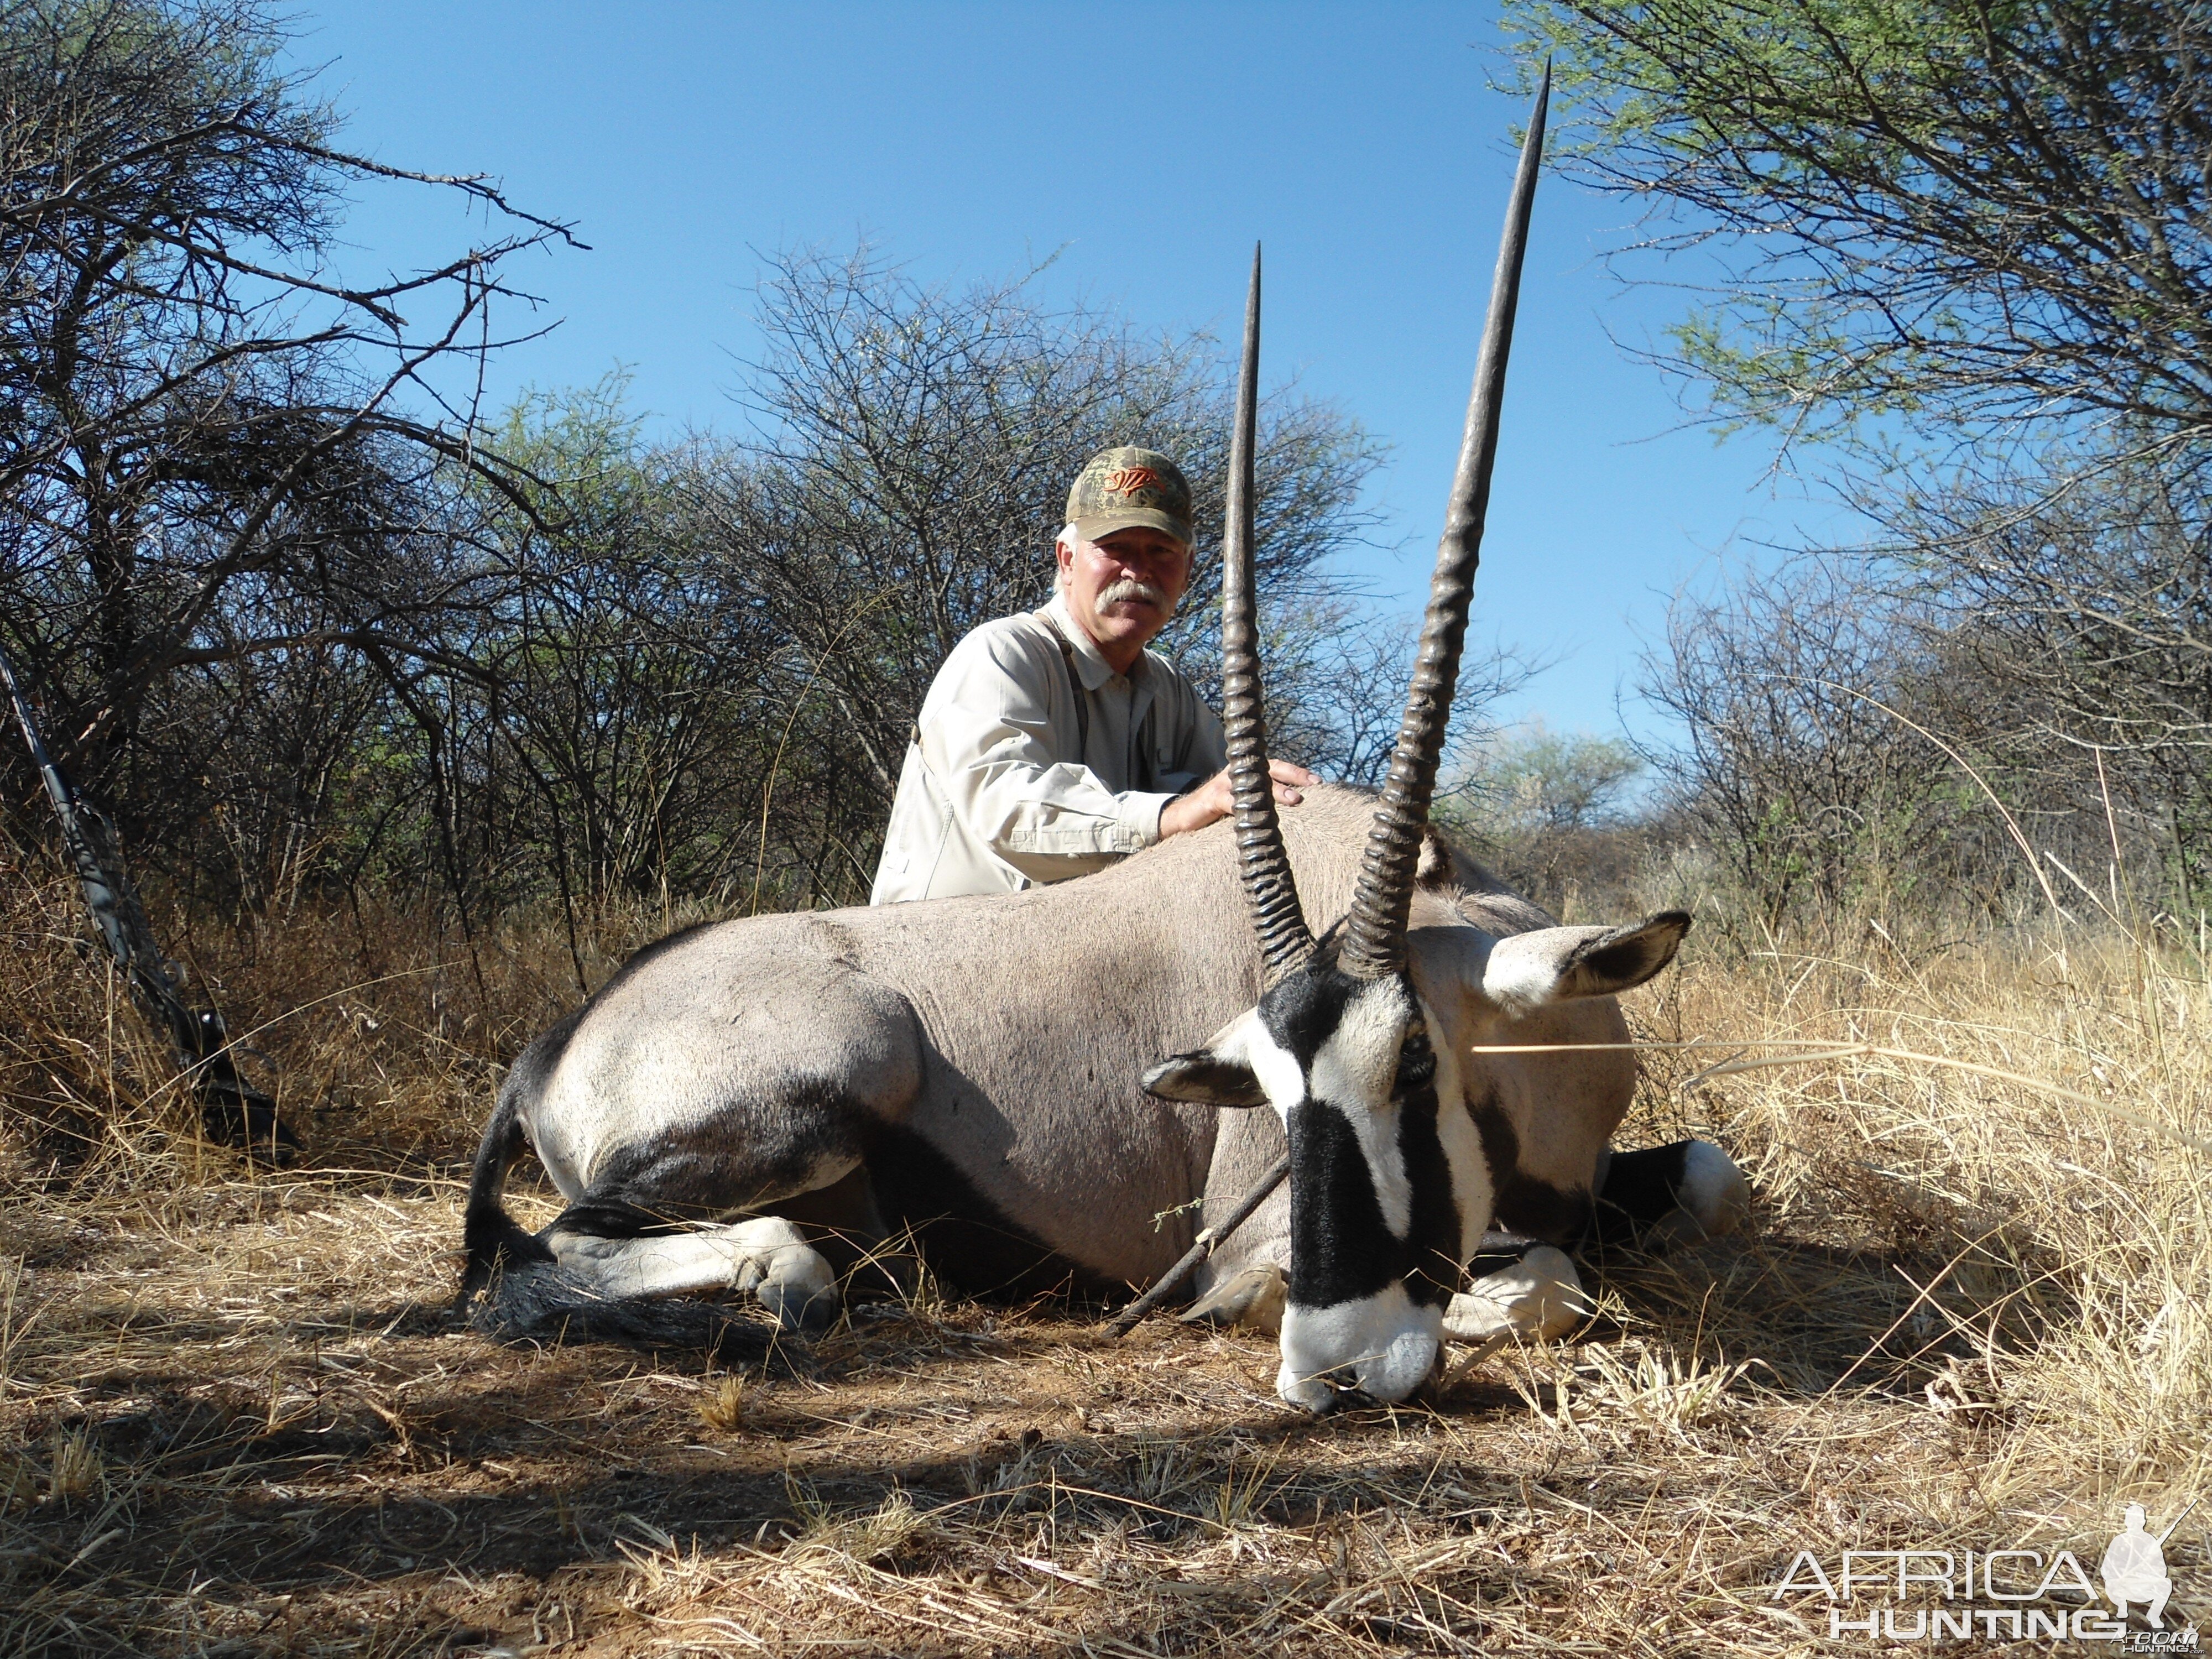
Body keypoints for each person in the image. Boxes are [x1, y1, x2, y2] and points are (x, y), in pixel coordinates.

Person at [871, 445, 1314, 904]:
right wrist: (1170, 815)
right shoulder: (1001, 651)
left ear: (1188, 572)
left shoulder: (1169, 690)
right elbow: (1005, 812)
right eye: (1114, 548)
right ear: (1067, 560)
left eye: (1161, 551)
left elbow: (1228, 796)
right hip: (938, 956)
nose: (1138, 571)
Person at [2101, 1503, 2173, 1627]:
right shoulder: (2119, 1541)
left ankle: (2154, 1615)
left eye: (2138, 1520)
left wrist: (2149, 1564)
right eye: (2131, 1520)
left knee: (2166, 1584)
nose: (2135, 1524)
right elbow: (2106, 1569)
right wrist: (2119, 1576)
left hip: (2140, 1584)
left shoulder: (2150, 1541)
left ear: (2144, 1521)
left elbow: (2162, 1571)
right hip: (2119, 1584)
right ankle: (2120, 1610)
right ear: (2126, 1521)